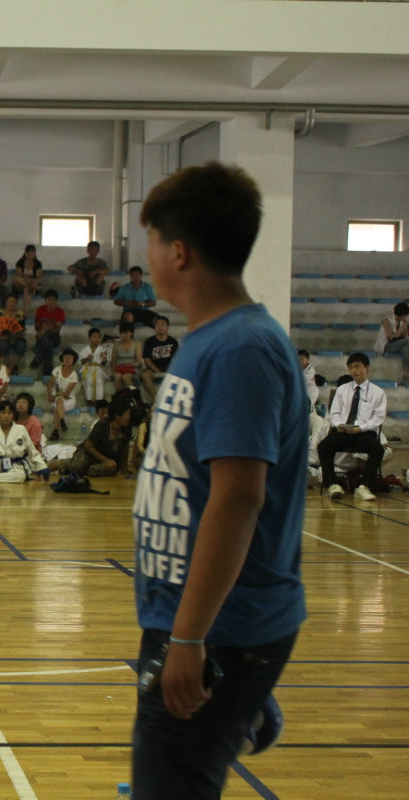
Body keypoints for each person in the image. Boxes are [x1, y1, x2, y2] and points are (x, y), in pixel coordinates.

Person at [130, 161, 307, 800]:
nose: (148, 257)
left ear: (178, 252)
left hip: (217, 628)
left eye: (152, 241)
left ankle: (236, 688)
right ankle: (239, 696)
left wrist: (193, 638)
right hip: (205, 625)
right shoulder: (209, 342)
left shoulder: (240, 349)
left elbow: (237, 499)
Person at [319, 352, 387, 502]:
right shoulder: (342, 390)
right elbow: (334, 413)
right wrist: (338, 425)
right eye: (350, 367)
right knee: (324, 447)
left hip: (364, 433)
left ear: (366, 367)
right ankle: (332, 485)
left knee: (377, 449)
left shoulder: (378, 392)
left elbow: (378, 417)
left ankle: (364, 487)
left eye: (357, 366)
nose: (354, 371)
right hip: (344, 431)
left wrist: (361, 428)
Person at [48, 394, 132, 478]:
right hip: (89, 455)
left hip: (106, 459)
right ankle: (62, 463)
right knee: (78, 467)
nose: (129, 417)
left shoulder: (127, 428)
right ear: (117, 416)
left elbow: (125, 449)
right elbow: (88, 446)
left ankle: (87, 471)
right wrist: (105, 460)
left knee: (109, 468)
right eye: (127, 414)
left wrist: (124, 470)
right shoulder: (102, 425)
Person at [0, 399, 48, 483]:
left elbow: (32, 450)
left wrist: (42, 467)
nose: (6, 416)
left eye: (9, 413)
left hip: (15, 464)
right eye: (3, 413)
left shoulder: (21, 429)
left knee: (19, 477)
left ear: (13, 415)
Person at [141, 316, 179, 401]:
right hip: (153, 369)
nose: (160, 327)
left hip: (169, 368)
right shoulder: (149, 341)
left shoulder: (173, 342)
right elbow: (147, 360)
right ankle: (157, 400)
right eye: (157, 324)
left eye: (162, 324)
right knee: (145, 376)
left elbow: (177, 359)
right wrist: (158, 371)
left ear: (167, 327)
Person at [47, 348, 80, 441]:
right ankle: (62, 421)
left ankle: (56, 431)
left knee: (59, 402)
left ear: (73, 360)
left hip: (69, 399)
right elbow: (50, 383)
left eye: (70, 357)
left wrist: (55, 396)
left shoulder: (74, 375)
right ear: (62, 358)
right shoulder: (57, 370)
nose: (67, 359)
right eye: (66, 357)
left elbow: (66, 393)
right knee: (58, 401)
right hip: (55, 397)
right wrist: (49, 395)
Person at [0, 295, 27, 375]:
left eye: (13, 302)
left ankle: (9, 368)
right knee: (3, 345)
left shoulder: (20, 314)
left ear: (16, 303)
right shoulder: (0, 313)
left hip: (16, 337)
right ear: (6, 303)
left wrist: (12, 336)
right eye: (10, 301)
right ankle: (11, 367)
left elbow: (21, 330)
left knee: (21, 346)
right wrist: (1, 336)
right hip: (2, 337)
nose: (11, 304)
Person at [374, 301, 409, 382]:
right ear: (401, 314)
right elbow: (392, 337)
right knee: (407, 341)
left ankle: (406, 372)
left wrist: (406, 329)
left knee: (406, 349)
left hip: (396, 345)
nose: (406, 317)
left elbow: (402, 337)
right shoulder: (386, 321)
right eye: (405, 315)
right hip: (386, 346)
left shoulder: (402, 322)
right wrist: (403, 326)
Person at [32, 289, 65, 373]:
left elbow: (57, 330)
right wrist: (47, 328)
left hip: (55, 337)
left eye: (52, 299)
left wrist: (45, 328)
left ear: (56, 300)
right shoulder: (40, 309)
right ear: (45, 300)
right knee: (49, 344)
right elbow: (37, 327)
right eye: (48, 299)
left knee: (47, 335)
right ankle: (47, 372)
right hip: (42, 338)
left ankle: (38, 358)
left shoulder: (60, 311)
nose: (50, 302)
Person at [77, 327, 112, 404]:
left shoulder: (103, 349)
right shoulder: (85, 349)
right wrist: (87, 358)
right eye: (94, 337)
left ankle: (98, 401)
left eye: (99, 337)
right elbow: (81, 362)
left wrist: (104, 358)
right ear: (89, 338)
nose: (97, 339)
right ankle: (90, 402)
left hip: (98, 369)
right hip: (87, 369)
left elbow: (105, 363)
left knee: (99, 382)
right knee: (88, 381)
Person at [112, 323, 143, 392]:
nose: (123, 335)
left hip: (133, 367)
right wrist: (114, 369)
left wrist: (132, 364)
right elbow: (113, 361)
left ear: (131, 333)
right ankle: (120, 396)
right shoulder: (116, 345)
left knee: (126, 377)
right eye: (122, 333)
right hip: (120, 367)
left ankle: (133, 393)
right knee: (117, 377)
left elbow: (139, 361)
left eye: (126, 333)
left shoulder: (137, 344)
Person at [13, 244, 43, 312]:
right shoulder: (20, 263)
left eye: (32, 252)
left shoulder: (38, 264)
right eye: (28, 252)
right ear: (25, 253)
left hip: (31, 285)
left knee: (27, 289)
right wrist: (28, 281)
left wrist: (31, 281)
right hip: (21, 284)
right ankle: (35, 287)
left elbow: (38, 277)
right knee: (16, 279)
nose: (30, 254)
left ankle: (25, 312)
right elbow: (19, 275)